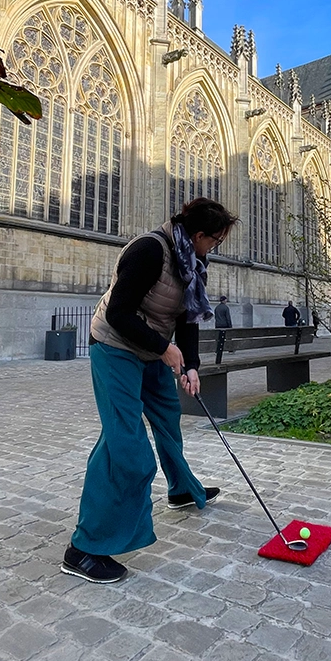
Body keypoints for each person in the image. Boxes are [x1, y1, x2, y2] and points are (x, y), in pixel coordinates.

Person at [62, 197, 239, 584]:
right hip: (116, 348)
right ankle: (84, 548)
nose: (215, 248)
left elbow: (188, 320)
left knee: (168, 421)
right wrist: (165, 348)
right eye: (215, 240)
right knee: (125, 445)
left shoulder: (194, 261)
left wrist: (190, 365)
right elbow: (118, 313)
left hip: (153, 351)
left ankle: (180, 490)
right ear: (198, 235)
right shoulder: (148, 250)